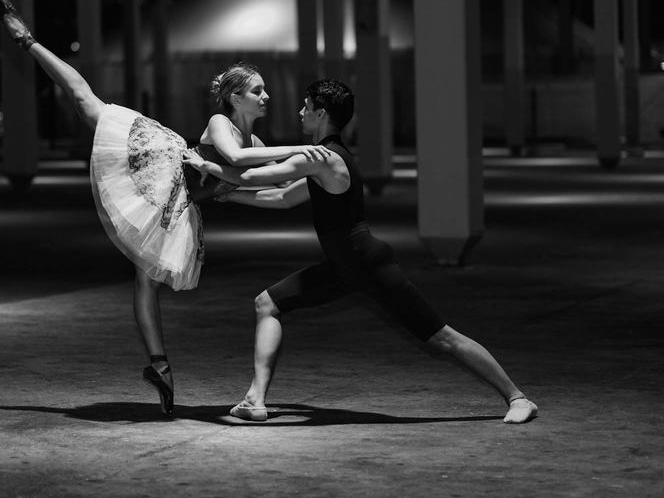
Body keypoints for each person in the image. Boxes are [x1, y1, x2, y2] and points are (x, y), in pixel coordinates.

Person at [0, 0, 329, 416]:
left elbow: (272, 180)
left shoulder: (257, 142)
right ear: (235, 98)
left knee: (145, 278)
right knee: (84, 98)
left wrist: (322, 172)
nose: (267, 96)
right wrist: (303, 151)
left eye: (265, 90)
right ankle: (26, 40)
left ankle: (159, 364)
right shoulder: (220, 124)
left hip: (181, 205)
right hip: (160, 165)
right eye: (258, 91)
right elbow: (239, 162)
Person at [183, 79, 538, 424]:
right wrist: (225, 194)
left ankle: (518, 397)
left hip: (367, 263)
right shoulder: (324, 160)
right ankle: (254, 400)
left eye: (306, 107)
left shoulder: (323, 158)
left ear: (320, 114)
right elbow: (282, 198)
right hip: (344, 265)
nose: (300, 111)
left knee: (441, 337)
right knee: (267, 303)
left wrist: (210, 168)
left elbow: (253, 177)